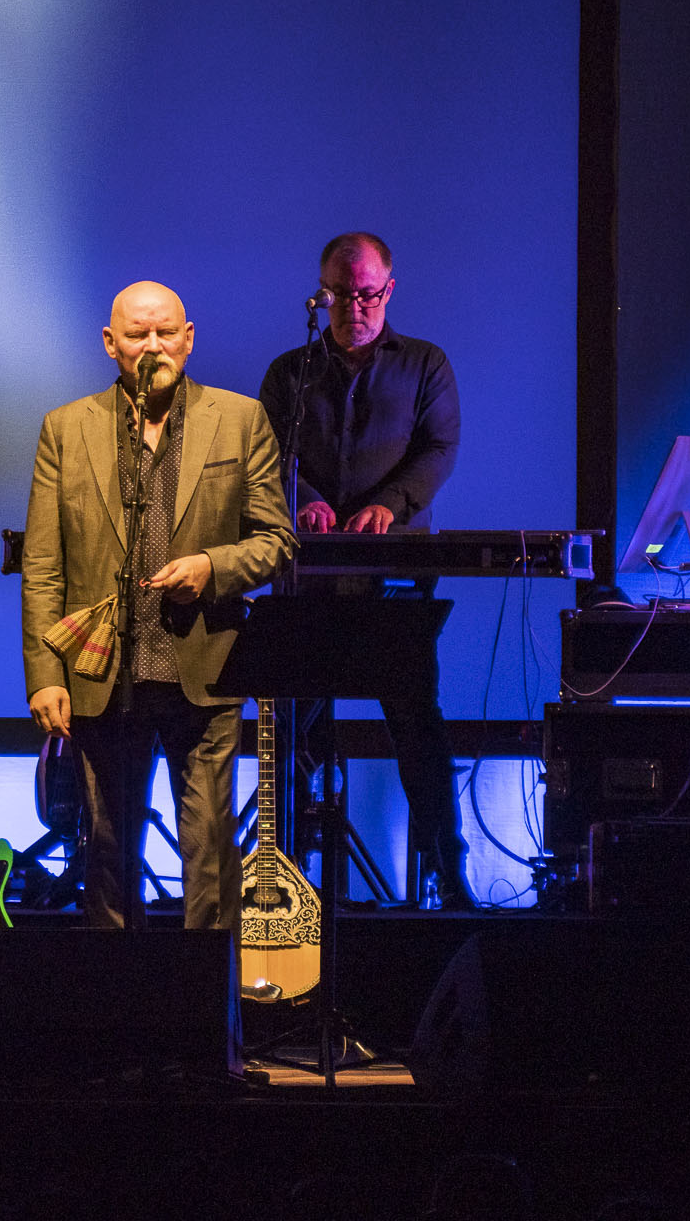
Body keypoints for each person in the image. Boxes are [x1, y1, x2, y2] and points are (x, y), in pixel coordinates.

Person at [21, 280, 295, 931]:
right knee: (108, 855)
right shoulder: (65, 429)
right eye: (138, 334)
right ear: (110, 343)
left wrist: (212, 566)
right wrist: (45, 676)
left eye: (166, 332)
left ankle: (205, 1011)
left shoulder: (240, 418)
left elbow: (276, 541)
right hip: (102, 676)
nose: (153, 346)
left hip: (204, 668)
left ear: (190, 338)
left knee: (210, 858)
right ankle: (118, 1012)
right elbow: (42, 563)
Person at [258, 232, 473, 909]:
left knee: (416, 722)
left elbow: (439, 448)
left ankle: (445, 868)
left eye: (369, 292)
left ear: (390, 289)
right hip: (309, 580)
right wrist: (309, 504)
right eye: (342, 294)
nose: (356, 306)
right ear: (322, 295)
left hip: (394, 576)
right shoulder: (289, 373)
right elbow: (265, 455)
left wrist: (387, 506)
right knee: (296, 729)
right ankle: (290, 875)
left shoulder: (425, 365)